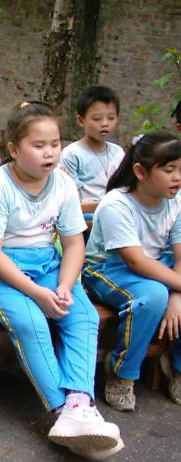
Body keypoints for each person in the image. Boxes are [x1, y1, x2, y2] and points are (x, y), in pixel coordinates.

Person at [0, 101, 122, 460]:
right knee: (32, 323)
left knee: (82, 316)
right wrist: (38, 293)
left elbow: (74, 244)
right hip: (0, 270)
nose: (50, 152)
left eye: (55, 143)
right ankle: (62, 410)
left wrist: (65, 286)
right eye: (38, 145)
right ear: (13, 149)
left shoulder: (63, 183)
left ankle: (79, 403)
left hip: (48, 264)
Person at [83, 131, 181, 411]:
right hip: (107, 269)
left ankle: (177, 366)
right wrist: (174, 288)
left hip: (157, 265)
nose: (177, 178)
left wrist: (177, 295)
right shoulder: (117, 204)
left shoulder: (177, 200)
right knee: (153, 297)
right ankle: (122, 373)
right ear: (140, 172)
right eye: (169, 170)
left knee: (162, 291)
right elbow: (135, 261)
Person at [59, 86, 125, 203]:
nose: (105, 124)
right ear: (81, 120)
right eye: (97, 119)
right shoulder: (72, 155)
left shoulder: (118, 152)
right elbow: (70, 195)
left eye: (111, 118)